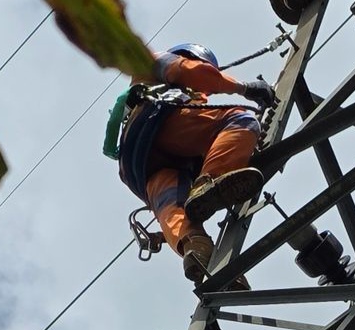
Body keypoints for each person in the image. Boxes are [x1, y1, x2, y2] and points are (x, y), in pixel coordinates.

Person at [107, 43, 277, 287]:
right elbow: (194, 73)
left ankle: (198, 250)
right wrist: (245, 88)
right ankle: (210, 181)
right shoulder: (159, 61)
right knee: (241, 120)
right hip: (159, 121)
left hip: (137, 164)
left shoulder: (139, 89)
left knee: (172, 206)